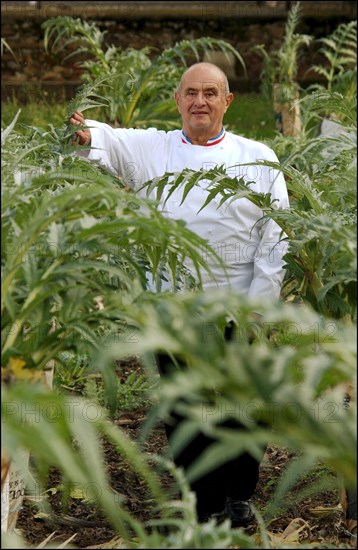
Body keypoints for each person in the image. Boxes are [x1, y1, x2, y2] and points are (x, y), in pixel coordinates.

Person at [70, 62, 290, 526]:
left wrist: (260, 305)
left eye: (211, 93)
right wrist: (86, 133)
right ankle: (202, 501)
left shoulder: (259, 157)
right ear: (178, 100)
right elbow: (106, 138)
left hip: (239, 305)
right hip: (173, 308)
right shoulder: (155, 147)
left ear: (228, 101)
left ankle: (239, 497)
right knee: (183, 409)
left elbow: (277, 237)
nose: (200, 102)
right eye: (191, 93)